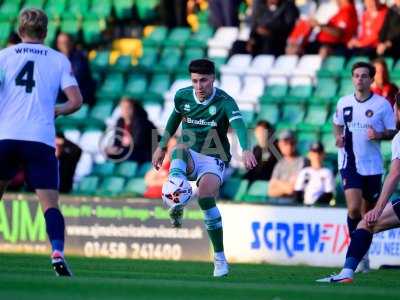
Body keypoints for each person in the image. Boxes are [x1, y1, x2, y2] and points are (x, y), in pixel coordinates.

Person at [152, 58, 257, 277]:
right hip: (190, 152)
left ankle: (219, 259)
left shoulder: (225, 101)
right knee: (178, 147)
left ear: (213, 79)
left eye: (204, 81)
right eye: (195, 81)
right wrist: (161, 147)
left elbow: (239, 124)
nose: (199, 87)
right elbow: (175, 117)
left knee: (206, 197)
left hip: (214, 156)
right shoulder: (182, 96)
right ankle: (176, 197)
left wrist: (246, 149)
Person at [0, 8, 83, 276]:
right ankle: (57, 251)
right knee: (50, 204)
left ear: (20, 30)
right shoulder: (59, 60)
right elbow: (76, 101)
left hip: (7, 136)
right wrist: (57, 109)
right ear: (46, 32)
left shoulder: (3, 56)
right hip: (40, 139)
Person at [317, 93, 400, 283]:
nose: (394, 112)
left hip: (371, 169)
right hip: (358, 168)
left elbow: (395, 173)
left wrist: (377, 209)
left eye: (395, 108)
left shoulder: (399, 138)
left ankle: (347, 273)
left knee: (366, 223)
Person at [333, 61, 396, 272]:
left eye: (364, 76)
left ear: (371, 79)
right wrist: (337, 137)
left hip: (373, 165)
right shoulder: (343, 102)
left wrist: (379, 135)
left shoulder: (382, 105)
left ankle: (363, 254)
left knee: (368, 213)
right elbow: (337, 123)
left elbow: (393, 131)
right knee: (353, 208)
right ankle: (356, 258)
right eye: (356, 75)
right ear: (352, 78)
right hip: (350, 162)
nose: (359, 79)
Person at [106, 97, 158, 163]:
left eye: (128, 108)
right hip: (127, 151)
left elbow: (138, 143)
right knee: (110, 154)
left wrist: (122, 147)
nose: (125, 111)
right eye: (123, 108)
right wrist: (114, 149)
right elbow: (117, 141)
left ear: (134, 108)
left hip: (144, 152)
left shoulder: (141, 122)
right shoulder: (120, 122)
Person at [56, 32, 95, 106]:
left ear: (71, 43)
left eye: (66, 42)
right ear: (58, 45)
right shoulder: (56, 59)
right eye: (61, 43)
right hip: (63, 96)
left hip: (80, 96)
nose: (64, 45)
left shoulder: (80, 59)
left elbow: (75, 80)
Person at [267, 130, 306, 204]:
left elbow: (292, 189)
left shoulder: (302, 162)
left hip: (293, 204)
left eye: (290, 143)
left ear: (294, 144)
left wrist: (277, 183)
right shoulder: (280, 164)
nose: (288, 146)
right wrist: (284, 186)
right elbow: (270, 191)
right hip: (276, 204)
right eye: (284, 143)